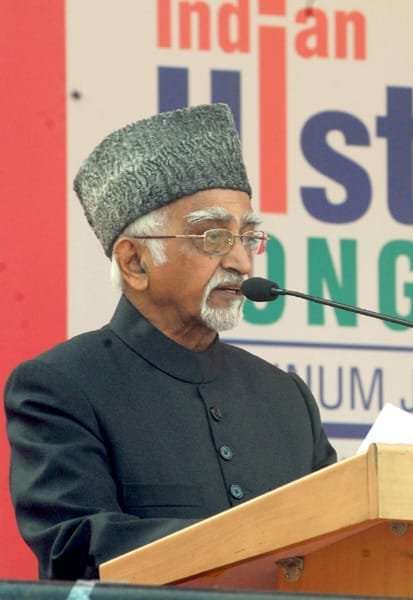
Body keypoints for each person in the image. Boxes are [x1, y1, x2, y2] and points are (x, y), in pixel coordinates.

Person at [4, 104, 337, 580]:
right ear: (135, 262)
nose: (243, 263)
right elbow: (77, 547)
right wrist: (252, 545)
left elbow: (341, 541)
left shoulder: (285, 398)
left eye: (248, 237)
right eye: (214, 237)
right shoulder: (60, 386)